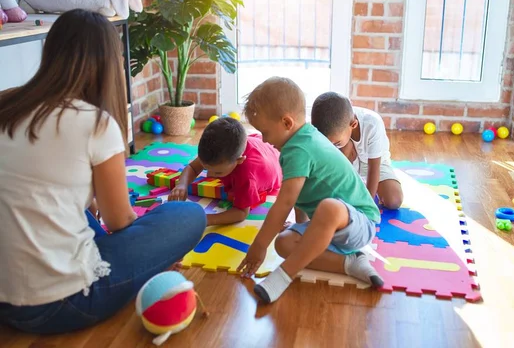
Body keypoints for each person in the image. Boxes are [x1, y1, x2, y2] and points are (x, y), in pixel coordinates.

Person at [0, 9, 206, 334]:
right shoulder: (95, 123)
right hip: (63, 302)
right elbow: (119, 221)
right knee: (189, 215)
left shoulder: (7, 104)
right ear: (109, 63)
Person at [237, 77, 384, 304]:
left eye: (265, 132)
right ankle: (350, 264)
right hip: (329, 229)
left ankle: (283, 275)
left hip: (360, 223)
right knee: (284, 242)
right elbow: (299, 197)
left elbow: (284, 202)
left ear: (287, 123)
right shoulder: (298, 141)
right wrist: (299, 227)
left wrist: (258, 246)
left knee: (330, 208)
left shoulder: (300, 148)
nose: (264, 140)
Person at [169, 117, 282, 226]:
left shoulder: (246, 175)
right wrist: (182, 185)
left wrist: (207, 219)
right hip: (258, 144)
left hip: (277, 166)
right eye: (206, 168)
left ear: (239, 160)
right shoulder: (214, 153)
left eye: (217, 173)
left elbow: (241, 212)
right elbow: (193, 167)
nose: (209, 175)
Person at [311, 92, 403, 209]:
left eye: (336, 143)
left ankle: (360, 187)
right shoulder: (330, 125)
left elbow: (374, 169)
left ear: (353, 124)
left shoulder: (372, 124)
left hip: (375, 163)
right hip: (348, 161)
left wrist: (367, 204)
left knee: (393, 200)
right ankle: (354, 184)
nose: (333, 145)